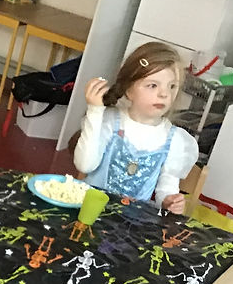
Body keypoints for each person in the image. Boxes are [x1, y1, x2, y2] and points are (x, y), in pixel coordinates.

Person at [74, 41, 199, 213]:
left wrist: (169, 201)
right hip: (89, 213)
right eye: (152, 85)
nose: (164, 94)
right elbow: (84, 165)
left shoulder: (175, 139)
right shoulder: (109, 121)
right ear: (129, 90)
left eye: (172, 86)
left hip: (132, 223)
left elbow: (167, 190)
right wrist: (95, 111)